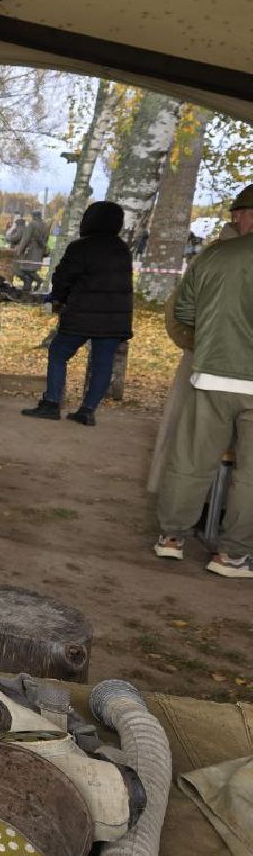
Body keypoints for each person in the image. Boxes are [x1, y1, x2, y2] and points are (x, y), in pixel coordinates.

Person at [151, 186, 253, 577]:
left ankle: (171, 538)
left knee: (192, 459)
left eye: (236, 214)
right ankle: (233, 556)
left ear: (246, 215)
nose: (232, 221)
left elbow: (183, 311)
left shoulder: (214, 256)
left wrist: (209, 339)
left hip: (212, 374)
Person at [21, 201, 133, 426]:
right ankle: (88, 410)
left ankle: (52, 403)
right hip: (114, 318)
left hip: (82, 314)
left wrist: (57, 299)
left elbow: (63, 278)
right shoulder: (122, 249)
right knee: (103, 363)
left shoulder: (82, 247)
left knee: (58, 353)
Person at [12, 209, 50, 292]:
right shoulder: (45, 225)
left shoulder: (32, 224)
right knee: (32, 268)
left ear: (34, 216)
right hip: (40, 250)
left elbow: (26, 238)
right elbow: (46, 238)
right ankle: (27, 287)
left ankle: (39, 280)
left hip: (31, 250)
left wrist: (20, 250)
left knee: (25, 268)